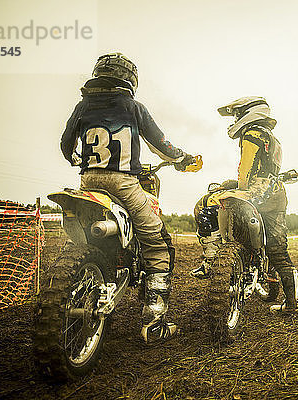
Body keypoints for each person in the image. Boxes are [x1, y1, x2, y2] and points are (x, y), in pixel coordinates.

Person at [60, 53, 195, 343]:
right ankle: (155, 322)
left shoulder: (83, 106)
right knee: (158, 244)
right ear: (130, 79)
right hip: (123, 183)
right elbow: (162, 145)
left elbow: (65, 143)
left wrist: (74, 158)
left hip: (87, 183)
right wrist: (182, 159)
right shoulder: (133, 107)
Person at [192, 96, 298, 315]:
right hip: (277, 194)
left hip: (257, 192)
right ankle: (294, 304)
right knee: (279, 252)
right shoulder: (272, 137)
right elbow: (266, 169)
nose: (235, 118)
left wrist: (236, 186)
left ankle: (210, 260)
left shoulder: (251, 134)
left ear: (249, 113)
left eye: (237, 114)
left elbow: (246, 171)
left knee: (205, 204)